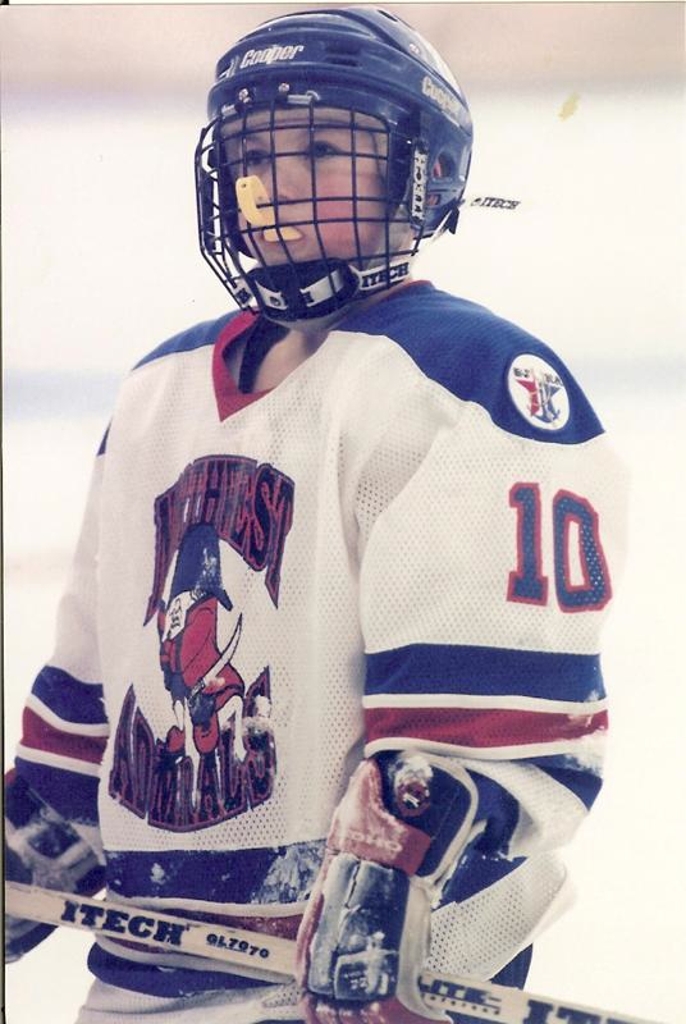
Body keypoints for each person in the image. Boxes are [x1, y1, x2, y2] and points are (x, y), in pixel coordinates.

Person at [4, 7, 627, 1024]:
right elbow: (94, 690)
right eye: (251, 154)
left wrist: (394, 877)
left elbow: (491, 720)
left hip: (381, 980)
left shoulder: (465, 379)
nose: (277, 182)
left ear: (417, 173)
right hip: (145, 972)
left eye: (323, 148)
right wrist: (38, 823)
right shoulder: (156, 388)